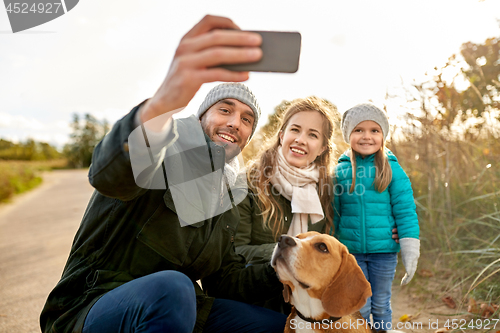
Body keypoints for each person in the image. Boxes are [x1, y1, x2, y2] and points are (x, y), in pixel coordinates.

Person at [40, 15, 287, 333]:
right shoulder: (163, 146)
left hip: (184, 310)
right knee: (173, 288)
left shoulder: (229, 190)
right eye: (224, 110)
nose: (235, 123)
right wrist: (167, 100)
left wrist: (286, 264)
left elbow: (225, 279)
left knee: (277, 327)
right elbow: (108, 174)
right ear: (201, 116)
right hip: (91, 304)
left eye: (246, 119)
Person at [234, 97, 338, 311]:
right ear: (282, 136)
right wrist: (287, 252)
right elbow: (235, 250)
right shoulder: (248, 182)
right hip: (256, 300)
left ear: (322, 148)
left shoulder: (327, 189)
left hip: (308, 303)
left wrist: (388, 230)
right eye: (295, 130)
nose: (301, 139)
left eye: (312, 135)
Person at [332, 103, 420, 332]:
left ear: (383, 135)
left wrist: (410, 246)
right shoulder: (339, 172)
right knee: (359, 304)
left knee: (380, 304)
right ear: (348, 135)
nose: (366, 136)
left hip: (384, 253)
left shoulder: (391, 169)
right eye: (359, 130)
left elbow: (405, 210)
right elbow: (333, 213)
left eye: (374, 131)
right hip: (351, 254)